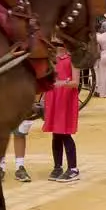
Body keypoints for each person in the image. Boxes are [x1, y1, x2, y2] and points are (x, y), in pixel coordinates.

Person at [42, 44, 81, 183]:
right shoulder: (51, 59)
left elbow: (76, 82)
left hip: (66, 99)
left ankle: (73, 168)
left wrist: (62, 83)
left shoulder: (73, 59)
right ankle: (57, 166)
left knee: (64, 133)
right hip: (53, 97)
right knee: (56, 134)